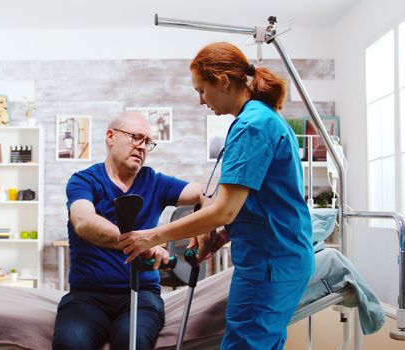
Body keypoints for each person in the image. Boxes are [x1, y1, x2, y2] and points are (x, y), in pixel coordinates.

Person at [119, 42, 314, 350]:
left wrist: (152, 237)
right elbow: (256, 202)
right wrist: (222, 236)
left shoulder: (252, 126)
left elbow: (224, 210)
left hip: (270, 264)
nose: (200, 101)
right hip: (279, 259)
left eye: (201, 90)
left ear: (222, 82)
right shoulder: (261, 118)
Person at [52, 111, 203, 350]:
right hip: (87, 296)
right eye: (136, 137)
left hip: (142, 295)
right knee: (71, 343)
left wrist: (205, 224)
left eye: (147, 142)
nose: (142, 147)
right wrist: (141, 244)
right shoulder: (84, 181)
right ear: (111, 136)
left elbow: (205, 193)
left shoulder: (155, 182)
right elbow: (83, 221)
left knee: (131, 342)